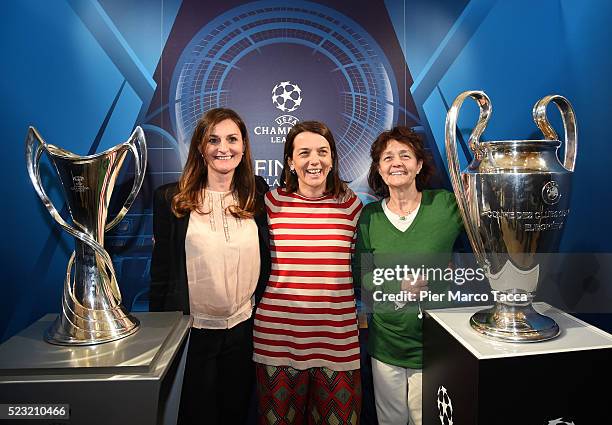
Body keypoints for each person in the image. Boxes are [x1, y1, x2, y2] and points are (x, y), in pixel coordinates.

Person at [150, 108, 271, 425]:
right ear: (200, 148)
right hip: (192, 335)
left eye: (232, 139)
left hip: (244, 331)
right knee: (196, 415)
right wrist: (159, 334)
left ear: (243, 146)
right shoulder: (171, 199)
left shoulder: (256, 193)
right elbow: (161, 272)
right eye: (213, 140)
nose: (223, 148)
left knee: (235, 413)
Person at [253, 121, 363, 424]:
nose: (314, 160)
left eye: (322, 152)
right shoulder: (270, 204)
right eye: (304, 153)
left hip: (337, 342)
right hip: (277, 340)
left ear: (333, 159)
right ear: (290, 161)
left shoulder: (352, 206)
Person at [353, 127, 463, 425]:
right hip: (387, 344)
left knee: (425, 419)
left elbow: (484, 242)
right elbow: (361, 275)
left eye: (405, 155)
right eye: (387, 157)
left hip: (434, 345)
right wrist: (396, 285)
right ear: (378, 168)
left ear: (419, 164)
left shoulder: (445, 206)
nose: (396, 162)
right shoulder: (370, 216)